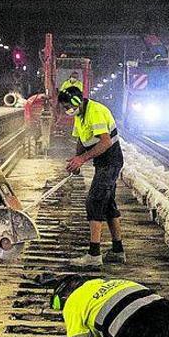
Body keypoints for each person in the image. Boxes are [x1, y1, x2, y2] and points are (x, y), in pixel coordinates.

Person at [58, 86, 125, 268]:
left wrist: (82, 159)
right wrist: (76, 160)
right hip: (102, 163)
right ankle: (118, 251)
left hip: (110, 160)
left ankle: (94, 255)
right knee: (108, 205)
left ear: (75, 102)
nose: (66, 110)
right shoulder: (80, 115)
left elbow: (105, 142)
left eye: (67, 106)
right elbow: (81, 140)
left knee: (94, 202)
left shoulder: (94, 111)